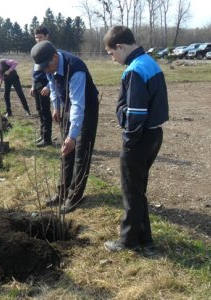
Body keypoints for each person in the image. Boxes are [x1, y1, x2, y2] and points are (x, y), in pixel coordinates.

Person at [102, 26, 169, 255]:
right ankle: (146, 241)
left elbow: (136, 112)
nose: (113, 58)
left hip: (139, 138)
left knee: (131, 190)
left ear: (120, 47)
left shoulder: (134, 69)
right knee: (138, 190)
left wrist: (129, 141)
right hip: (154, 134)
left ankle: (128, 240)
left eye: (112, 53)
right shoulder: (149, 62)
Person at [31, 40, 99, 213]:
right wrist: (56, 106)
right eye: (43, 68)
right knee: (66, 151)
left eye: (47, 66)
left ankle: (75, 197)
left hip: (86, 109)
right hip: (67, 105)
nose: (46, 70)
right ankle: (61, 193)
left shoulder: (75, 68)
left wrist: (72, 136)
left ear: (55, 58)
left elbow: (78, 104)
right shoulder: (48, 64)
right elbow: (52, 85)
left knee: (80, 153)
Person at [30, 25, 53, 147]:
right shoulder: (36, 50)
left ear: (46, 37)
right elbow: (34, 70)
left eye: (40, 37)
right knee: (39, 110)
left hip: (45, 84)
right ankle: (42, 134)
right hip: (38, 84)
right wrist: (33, 85)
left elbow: (55, 73)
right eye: (36, 37)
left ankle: (47, 138)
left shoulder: (50, 52)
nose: (38, 40)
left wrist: (49, 86)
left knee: (45, 111)